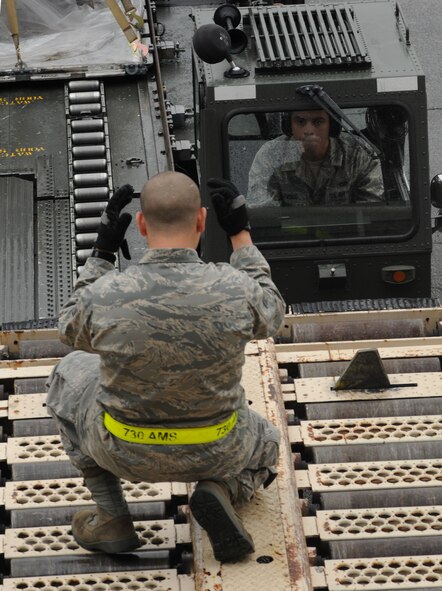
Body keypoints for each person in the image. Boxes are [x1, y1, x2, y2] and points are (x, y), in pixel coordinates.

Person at [46, 171, 285, 563]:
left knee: (67, 372)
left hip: (123, 449)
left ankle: (112, 516)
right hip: (218, 447)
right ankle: (223, 489)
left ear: (140, 225)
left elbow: (69, 328)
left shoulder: (107, 294)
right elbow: (272, 315)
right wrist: (240, 235)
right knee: (267, 442)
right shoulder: (234, 287)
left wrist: (103, 254)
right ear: (202, 221)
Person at [247, 109, 384, 207]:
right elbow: (262, 214)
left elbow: (372, 211)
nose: (309, 130)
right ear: (290, 126)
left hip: (346, 240)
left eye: (318, 122)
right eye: (300, 122)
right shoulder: (271, 155)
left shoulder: (357, 152)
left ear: (332, 126)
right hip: (289, 242)